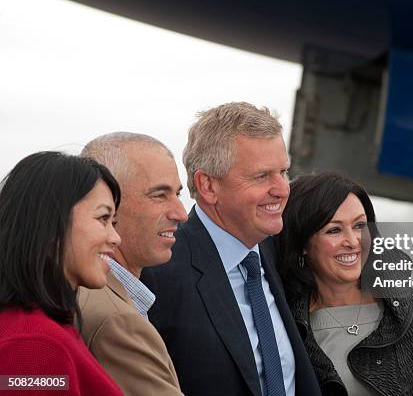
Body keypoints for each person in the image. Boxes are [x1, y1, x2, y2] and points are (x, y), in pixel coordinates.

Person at [141, 102, 321, 396]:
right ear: (208, 186)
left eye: (284, 172)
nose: (281, 188)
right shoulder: (158, 272)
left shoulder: (281, 251)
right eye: (262, 176)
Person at [277, 172, 413, 396]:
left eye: (360, 225)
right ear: (303, 243)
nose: (353, 241)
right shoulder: (284, 319)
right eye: (334, 230)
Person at [0, 151, 123, 395]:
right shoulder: (33, 346)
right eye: (103, 218)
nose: (115, 238)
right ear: (50, 224)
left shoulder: (41, 331)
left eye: (114, 222)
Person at [77, 133, 187, 396]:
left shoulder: (102, 296)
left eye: (178, 193)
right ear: (108, 203)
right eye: (160, 195)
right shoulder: (114, 319)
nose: (181, 213)